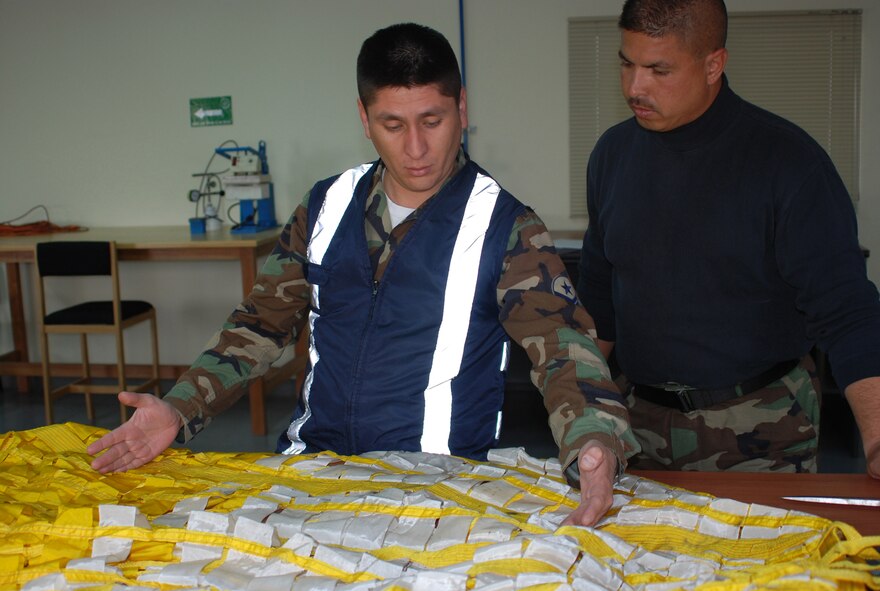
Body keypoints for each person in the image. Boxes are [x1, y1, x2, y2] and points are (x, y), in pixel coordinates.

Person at [87, 22, 636, 527]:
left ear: (462, 108)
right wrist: (180, 406)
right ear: (363, 118)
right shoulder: (325, 206)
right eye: (392, 125)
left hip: (436, 489)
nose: (416, 149)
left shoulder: (507, 227)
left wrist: (594, 437)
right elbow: (259, 325)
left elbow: (562, 346)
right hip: (315, 474)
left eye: (433, 121)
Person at [576, 0, 880, 492]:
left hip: (760, 432)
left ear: (713, 64)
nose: (635, 87)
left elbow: (847, 312)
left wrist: (876, 440)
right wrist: (584, 417)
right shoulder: (612, 156)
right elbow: (598, 299)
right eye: (627, 63)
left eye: (659, 69)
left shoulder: (788, 164)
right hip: (638, 426)